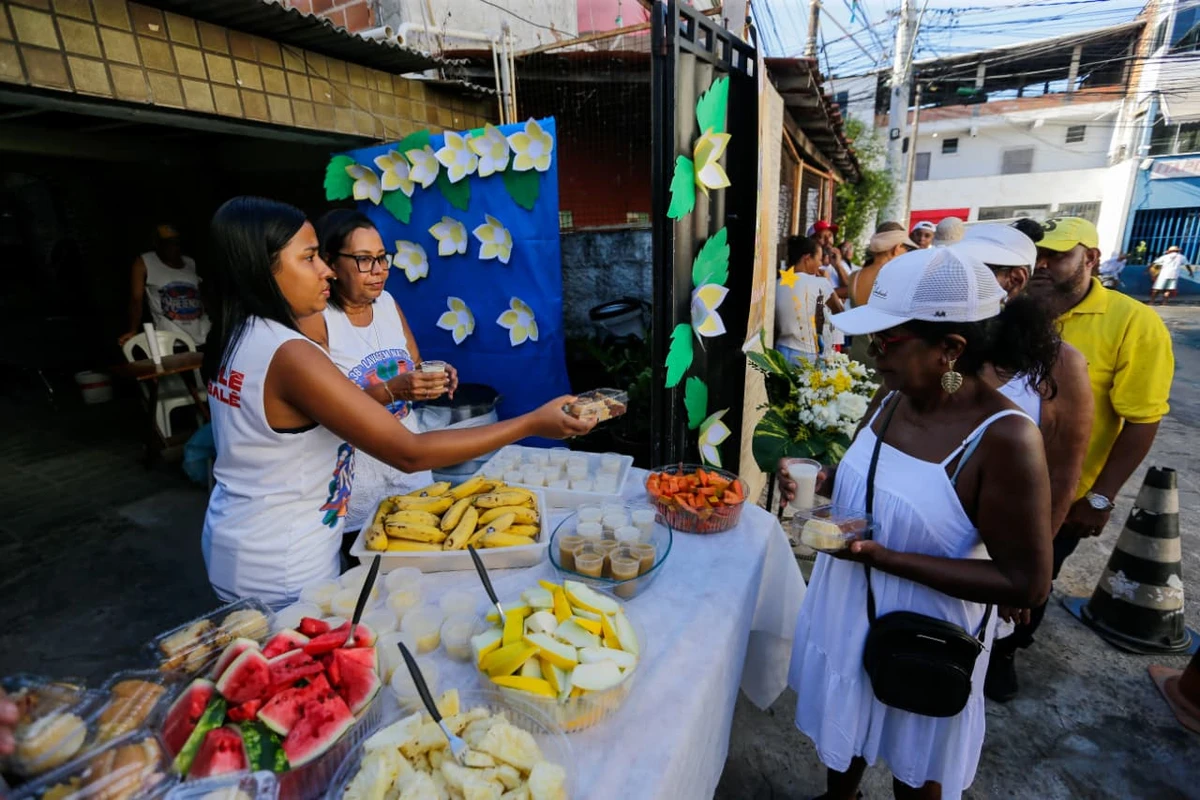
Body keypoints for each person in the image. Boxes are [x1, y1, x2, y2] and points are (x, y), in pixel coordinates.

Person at [200, 197, 593, 607]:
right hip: (283, 559)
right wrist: (531, 423)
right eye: (310, 258)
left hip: (241, 537)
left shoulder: (236, 336)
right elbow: (409, 452)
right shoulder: (290, 352)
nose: (325, 271)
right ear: (261, 269)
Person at [780, 247, 1055, 800]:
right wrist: (824, 481)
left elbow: (1027, 583)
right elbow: (879, 480)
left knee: (916, 760)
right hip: (849, 606)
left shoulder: (1004, 438)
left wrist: (885, 558)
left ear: (949, 350)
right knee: (847, 721)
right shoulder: (892, 396)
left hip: (926, 633)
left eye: (886, 341)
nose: (872, 352)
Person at [988, 217, 1175, 700]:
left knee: (1035, 575)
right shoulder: (1011, 306)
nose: (1044, 265)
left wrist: (1099, 496)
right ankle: (973, 643)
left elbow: (1142, 419)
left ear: (1090, 258)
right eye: (1039, 256)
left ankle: (1006, 652)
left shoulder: (1134, 322)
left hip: (1064, 491)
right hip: (989, 479)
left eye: (1057, 255)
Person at [315, 209, 457, 549]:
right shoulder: (319, 321)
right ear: (330, 263)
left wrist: (432, 379)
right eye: (364, 260)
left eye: (382, 258)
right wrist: (394, 389)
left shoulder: (388, 303)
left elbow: (415, 363)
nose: (379, 270)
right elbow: (327, 411)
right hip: (356, 476)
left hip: (408, 462)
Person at [119, 224, 211, 347]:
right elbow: (136, 299)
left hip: (203, 335)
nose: (173, 246)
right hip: (171, 340)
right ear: (157, 244)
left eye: (176, 242)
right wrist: (133, 330)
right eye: (168, 243)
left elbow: (200, 296)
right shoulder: (145, 262)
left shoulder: (190, 262)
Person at [775, 236, 843, 364]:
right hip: (805, 354)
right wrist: (827, 283)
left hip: (780, 350)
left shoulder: (778, 283)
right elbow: (839, 312)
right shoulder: (820, 283)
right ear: (807, 259)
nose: (820, 264)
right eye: (819, 259)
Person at [847, 227, 917, 308]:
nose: (906, 253)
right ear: (897, 248)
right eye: (907, 248)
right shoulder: (900, 277)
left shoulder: (854, 276)